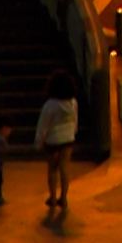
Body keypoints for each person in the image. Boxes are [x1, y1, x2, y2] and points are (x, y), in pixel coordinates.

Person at [35, 71, 79, 210]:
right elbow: (75, 120)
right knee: (65, 169)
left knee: (53, 169)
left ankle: (53, 197)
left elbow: (43, 125)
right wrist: (73, 132)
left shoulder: (50, 105)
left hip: (53, 141)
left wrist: (39, 142)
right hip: (68, 139)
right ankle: (64, 198)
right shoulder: (73, 103)